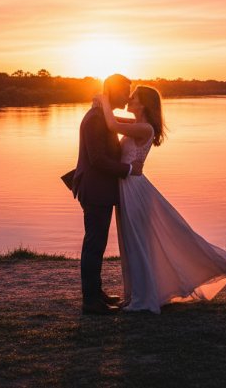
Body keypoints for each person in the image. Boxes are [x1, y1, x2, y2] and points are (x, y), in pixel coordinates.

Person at [95, 85, 226, 314]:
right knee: (131, 244)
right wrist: (103, 108)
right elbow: (112, 119)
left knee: (138, 244)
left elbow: (112, 124)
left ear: (143, 104)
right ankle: (135, 295)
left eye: (133, 98)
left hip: (134, 189)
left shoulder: (144, 128)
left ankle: (143, 300)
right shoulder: (137, 125)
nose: (128, 100)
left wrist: (103, 98)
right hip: (128, 187)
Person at [70, 74, 144, 315]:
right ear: (112, 92)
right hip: (95, 190)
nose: (128, 96)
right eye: (125, 91)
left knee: (97, 244)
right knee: (94, 245)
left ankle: (96, 293)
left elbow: (121, 124)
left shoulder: (102, 115)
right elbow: (98, 159)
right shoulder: (94, 119)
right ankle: (90, 302)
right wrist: (130, 169)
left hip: (101, 190)